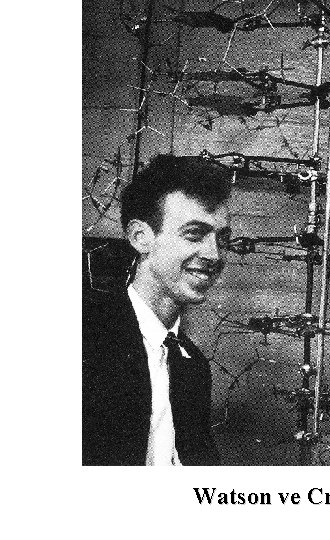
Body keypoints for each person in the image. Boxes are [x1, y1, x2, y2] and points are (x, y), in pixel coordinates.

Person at [83, 154, 233, 465]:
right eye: (194, 234)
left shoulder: (194, 367)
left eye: (222, 239)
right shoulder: (85, 339)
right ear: (140, 237)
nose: (214, 254)